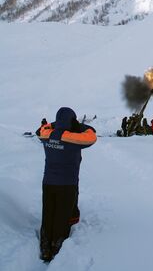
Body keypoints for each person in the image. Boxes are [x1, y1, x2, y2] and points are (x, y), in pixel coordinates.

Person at [37, 107, 97, 262]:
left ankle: (44, 248)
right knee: (61, 217)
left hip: (48, 183)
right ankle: (56, 249)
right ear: (72, 120)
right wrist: (80, 126)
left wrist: (55, 124)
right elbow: (91, 137)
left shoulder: (46, 135)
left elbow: (42, 129)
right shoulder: (71, 138)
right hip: (67, 184)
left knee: (48, 215)